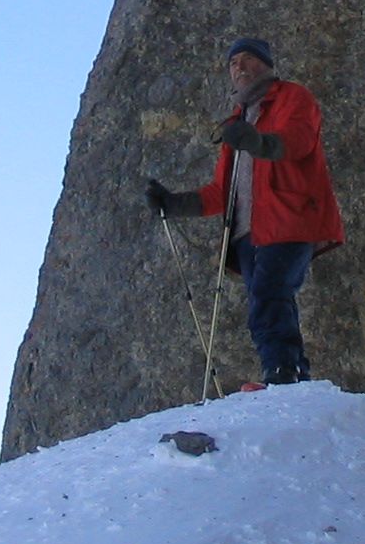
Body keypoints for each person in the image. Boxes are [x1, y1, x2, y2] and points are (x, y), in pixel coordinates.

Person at [146, 36, 344, 386]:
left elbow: (297, 141)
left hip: (288, 220)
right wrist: (173, 203)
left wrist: (256, 141)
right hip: (246, 234)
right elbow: (222, 191)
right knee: (268, 298)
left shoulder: (292, 97)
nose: (239, 67)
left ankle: (282, 373)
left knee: (269, 294)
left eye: (248, 58)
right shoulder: (237, 122)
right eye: (233, 62)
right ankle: (291, 373)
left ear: (266, 64)